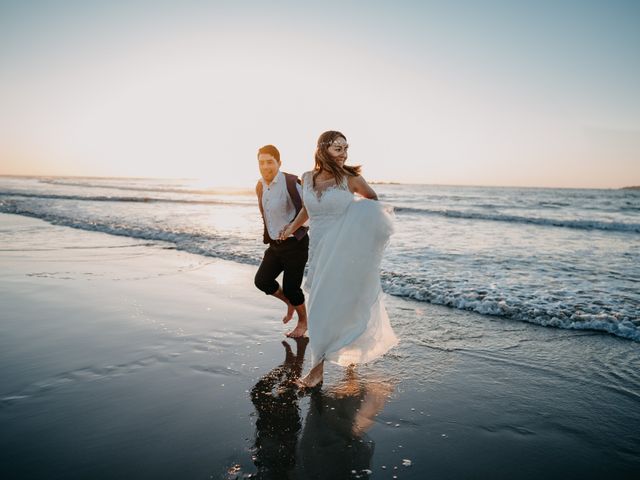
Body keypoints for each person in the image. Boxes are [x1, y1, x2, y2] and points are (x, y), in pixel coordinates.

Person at [280, 131, 398, 387]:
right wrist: (290, 229)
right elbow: (306, 210)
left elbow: (372, 203)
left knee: (325, 305)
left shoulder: (351, 178)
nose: (344, 153)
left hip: (344, 251)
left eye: (346, 148)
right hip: (319, 249)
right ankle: (346, 351)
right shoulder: (308, 178)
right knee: (324, 303)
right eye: (338, 148)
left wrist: (355, 230)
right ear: (323, 149)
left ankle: (316, 371)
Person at [254, 144, 309, 338]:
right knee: (262, 281)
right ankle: (289, 303)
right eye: (262, 162)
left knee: (292, 288)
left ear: (279, 163)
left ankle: (303, 322)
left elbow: (309, 211)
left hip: (296, 245)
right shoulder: (260, 185)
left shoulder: (292, 182)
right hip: (275, 245)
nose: (266, 166)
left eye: (270, 162)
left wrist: (292, 228)